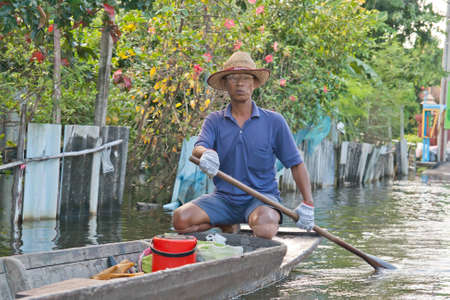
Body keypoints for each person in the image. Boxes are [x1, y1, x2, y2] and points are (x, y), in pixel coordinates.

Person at [172, 51, 315, 239]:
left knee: (264, 228)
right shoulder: (214, 120)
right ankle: (226, 223)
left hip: (261, 200)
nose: (240, 84)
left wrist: (308, 204)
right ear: (225, 84)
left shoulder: (274, 121)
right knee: (180, 219)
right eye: (233, 78)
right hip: (223, 199)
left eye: (246, 78)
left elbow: (296, 164)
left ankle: (243, 232)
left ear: (254, 83)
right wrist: (206, 153)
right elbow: (198, 148)